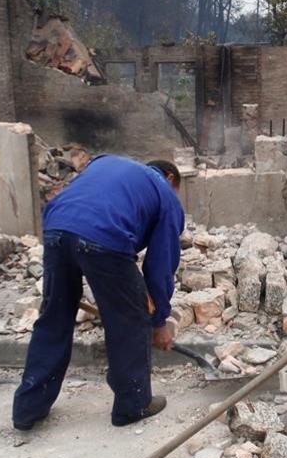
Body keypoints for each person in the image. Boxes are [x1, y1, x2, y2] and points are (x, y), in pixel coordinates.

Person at [12, 155, 185, 430]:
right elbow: (161, 263)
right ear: (171, 178)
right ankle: (133, 404)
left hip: (57, 228)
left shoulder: (105, 162)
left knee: (54, 319)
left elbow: (79, 199)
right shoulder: (165, 191)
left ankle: (27, 409)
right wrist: (158, 320)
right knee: (129, 321)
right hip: (105, 235)